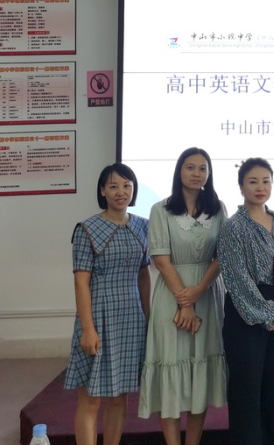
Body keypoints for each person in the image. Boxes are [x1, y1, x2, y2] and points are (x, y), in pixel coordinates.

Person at [138, 147, 228, 445]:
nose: (196, 173)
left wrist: (200, 290)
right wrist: (185, 302)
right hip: (171, 294)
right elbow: (161, 260)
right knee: (171, 370)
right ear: (179, 171)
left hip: (207, 293)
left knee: (200, 371)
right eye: (190, 167)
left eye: (203, 168)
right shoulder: (160, 209)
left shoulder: (218, 208)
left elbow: (222, 256)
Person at [65, 163, 151, 445]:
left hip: (131, 318)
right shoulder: (87, 229)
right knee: (91, 399)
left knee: (119, 397)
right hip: (98, 316)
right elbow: (81, 283)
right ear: (102, 191)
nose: (120, 192)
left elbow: (143, 275)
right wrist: (88, 329)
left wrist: (148, 318)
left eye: (127, 186)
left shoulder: (142, 226)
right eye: (113, 186)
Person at [218, 157, 274, 445]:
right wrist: (269, 315)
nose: (260, 187)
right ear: (241, 186)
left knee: (273, 390)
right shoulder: (233, 227)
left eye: (266, 181)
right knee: (247, 391)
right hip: (246, 316)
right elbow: (237, 279)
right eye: (253, 181)